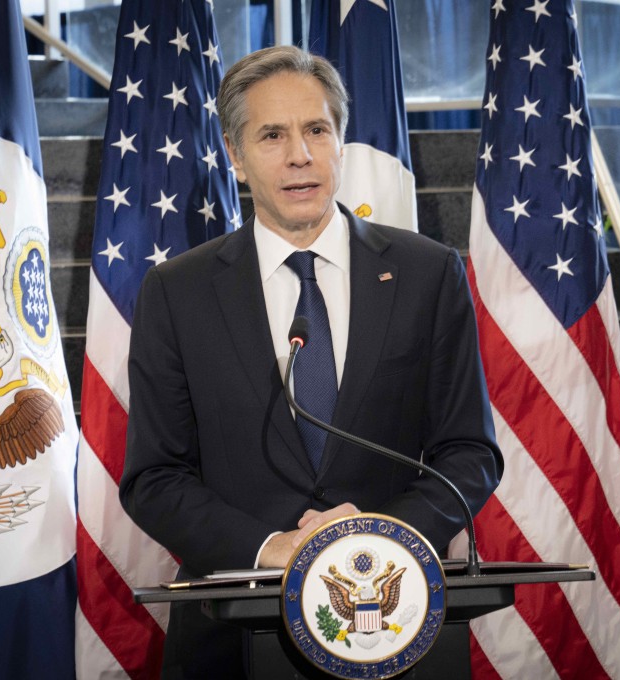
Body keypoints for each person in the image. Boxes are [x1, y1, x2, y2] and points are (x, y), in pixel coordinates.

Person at [119, 45, 503, 679]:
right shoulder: (176, 293)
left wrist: (376, 542)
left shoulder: (427, 273)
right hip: (233, 638)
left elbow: (470, 452)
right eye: (272, 135)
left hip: (393, 625)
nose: (300, 154)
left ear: (340, 144)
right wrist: (274, 548)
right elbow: (154, 478)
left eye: (316, 130)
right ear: (236, 156)